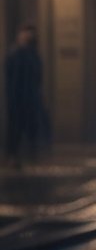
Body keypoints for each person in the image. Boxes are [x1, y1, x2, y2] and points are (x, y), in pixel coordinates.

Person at [4, 24, 46, 165]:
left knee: (30, 127)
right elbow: (12, 77)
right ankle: (14, 155)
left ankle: (28, 155)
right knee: (16, 128)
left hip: (30, 96)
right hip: (18, 97)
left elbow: (37, 75)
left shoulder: (32, 54)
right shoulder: (15, 54)